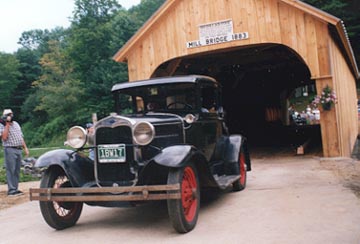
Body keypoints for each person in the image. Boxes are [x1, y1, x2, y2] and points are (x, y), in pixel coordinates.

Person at [0, 109, 29, 196]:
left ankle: (15, 188)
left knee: (16, 170)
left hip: (18, 148)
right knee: (10, 169)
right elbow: (4, 137)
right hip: (10, 149)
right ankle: (11, 190)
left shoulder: (16, 124)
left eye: (11, 114)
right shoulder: (2, 125)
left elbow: (20, 136)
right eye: (8, 115)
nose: (10, 116)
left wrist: (25, 148)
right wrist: (7, 124)